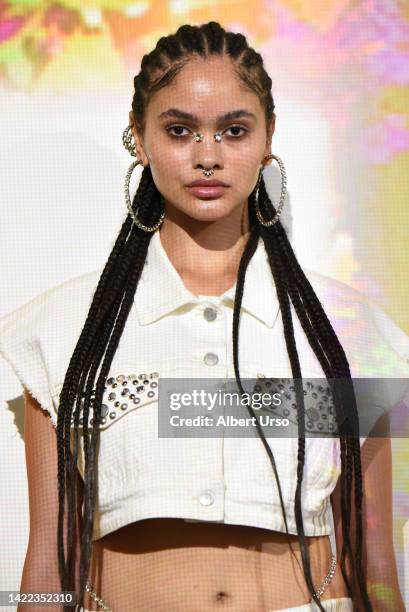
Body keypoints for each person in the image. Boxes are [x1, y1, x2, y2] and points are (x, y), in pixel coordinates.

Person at [0, 21, 407, 612]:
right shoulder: (59, 331)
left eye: (234, 131)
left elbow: (374, 561)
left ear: (269, 137)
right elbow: (47, 558)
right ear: (139, 139)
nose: (208, 156)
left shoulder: (347, 330)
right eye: (180, 130)